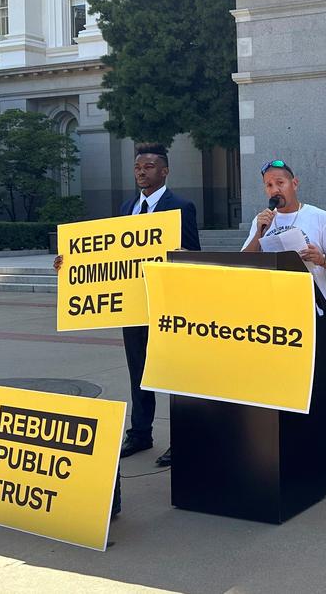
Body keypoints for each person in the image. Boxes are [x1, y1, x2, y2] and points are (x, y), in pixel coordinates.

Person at [55, 143, 200, 468]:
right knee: (139, 372)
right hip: (132, 307)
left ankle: (184, 439)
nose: (141, 172)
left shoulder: (181, 207)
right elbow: (107, 254)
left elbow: (194, 255)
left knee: (174, 375)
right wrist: (69, 263)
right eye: (137, 167)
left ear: (164, 171)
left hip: (167, 307)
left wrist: (177, 254)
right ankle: (140, 433)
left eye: (148, 167)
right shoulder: (126, 209)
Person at [242, 159, 326, 299]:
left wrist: (322, 260)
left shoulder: (321, 217)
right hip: (270, 303)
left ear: (294, 184)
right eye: (269, 185)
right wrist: (259, 232)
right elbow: (244, 262)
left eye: (280, 183)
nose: (275, 190)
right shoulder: (260, 221)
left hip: (309, 304)